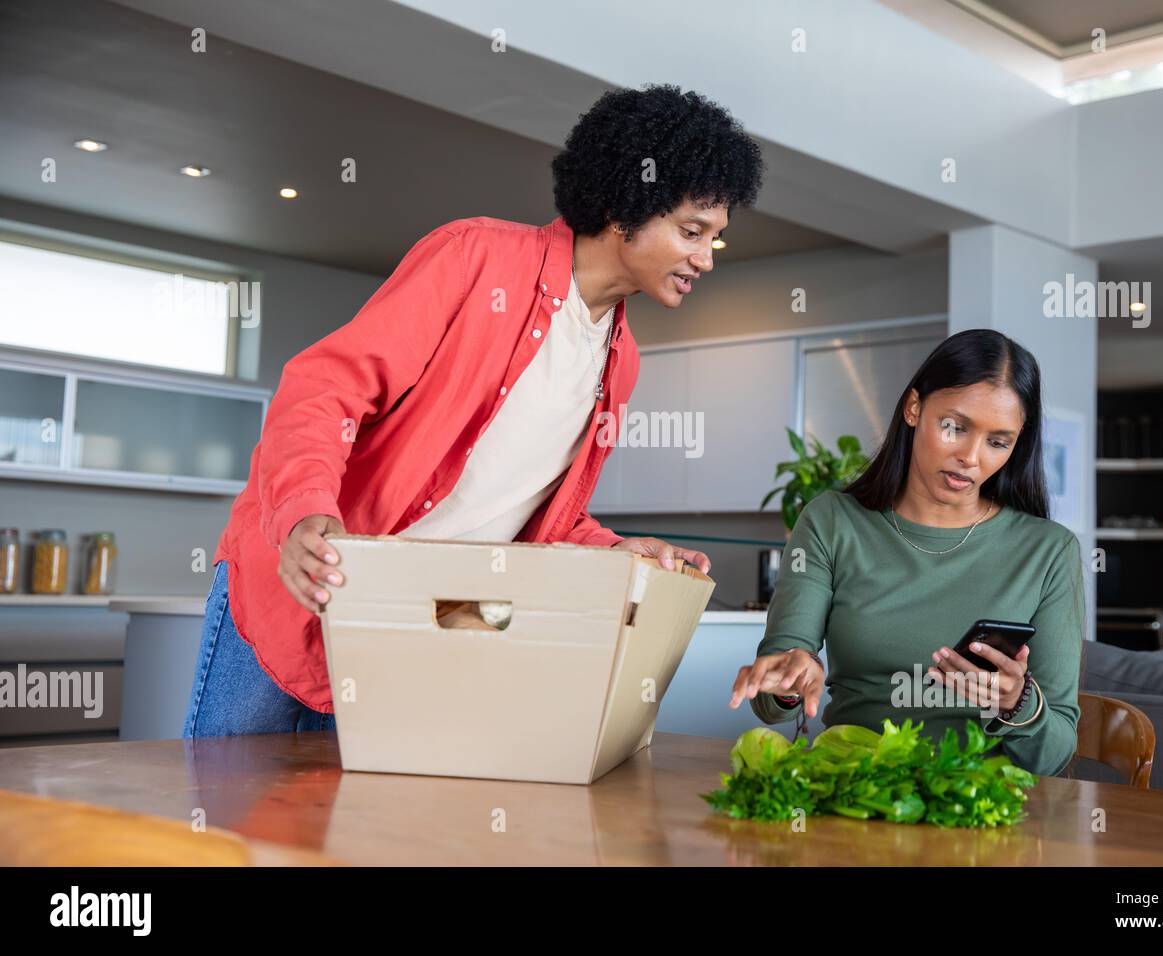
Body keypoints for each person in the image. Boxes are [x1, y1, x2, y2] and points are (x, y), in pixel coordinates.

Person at [184, 85, 765, 737]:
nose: (706, 257)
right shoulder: (475, 259)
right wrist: (303, 514)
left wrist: (616, 549)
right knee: (220, 816)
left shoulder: (619, 360)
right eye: (692, 232)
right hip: (294, 588)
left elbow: (528, 517)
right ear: (622, 206)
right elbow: (324, 390)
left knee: (334, 833)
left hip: (400, 635)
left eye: (715, 239)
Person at [729, 329, 1085, 776]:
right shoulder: (832, 522)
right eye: (954, 427)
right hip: (854, 787)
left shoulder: (1049, 552)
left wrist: (1017, 702)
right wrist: (787, 682)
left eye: (998, 441)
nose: (971, 457)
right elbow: (771, 704)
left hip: (979, 807)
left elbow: (1052, 756)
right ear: (914, 408)